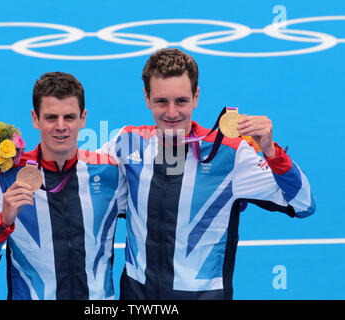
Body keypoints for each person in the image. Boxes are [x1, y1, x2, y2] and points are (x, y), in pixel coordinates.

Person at [103, 48, 316, 299]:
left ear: (196, 97)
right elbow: (79, 178)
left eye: (181, 101)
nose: (172, 113)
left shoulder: (230, 155)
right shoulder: (127, 144)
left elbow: (303, 204)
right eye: (161, 101)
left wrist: (271, 151)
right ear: (147, 98)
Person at [0, 72, 127, 300]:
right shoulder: (6, 179)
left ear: (83, 118)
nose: (60, 127)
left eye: (69, 117)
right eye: (51, 117)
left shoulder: (110, 174)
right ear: (35, 118)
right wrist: (3, 222)